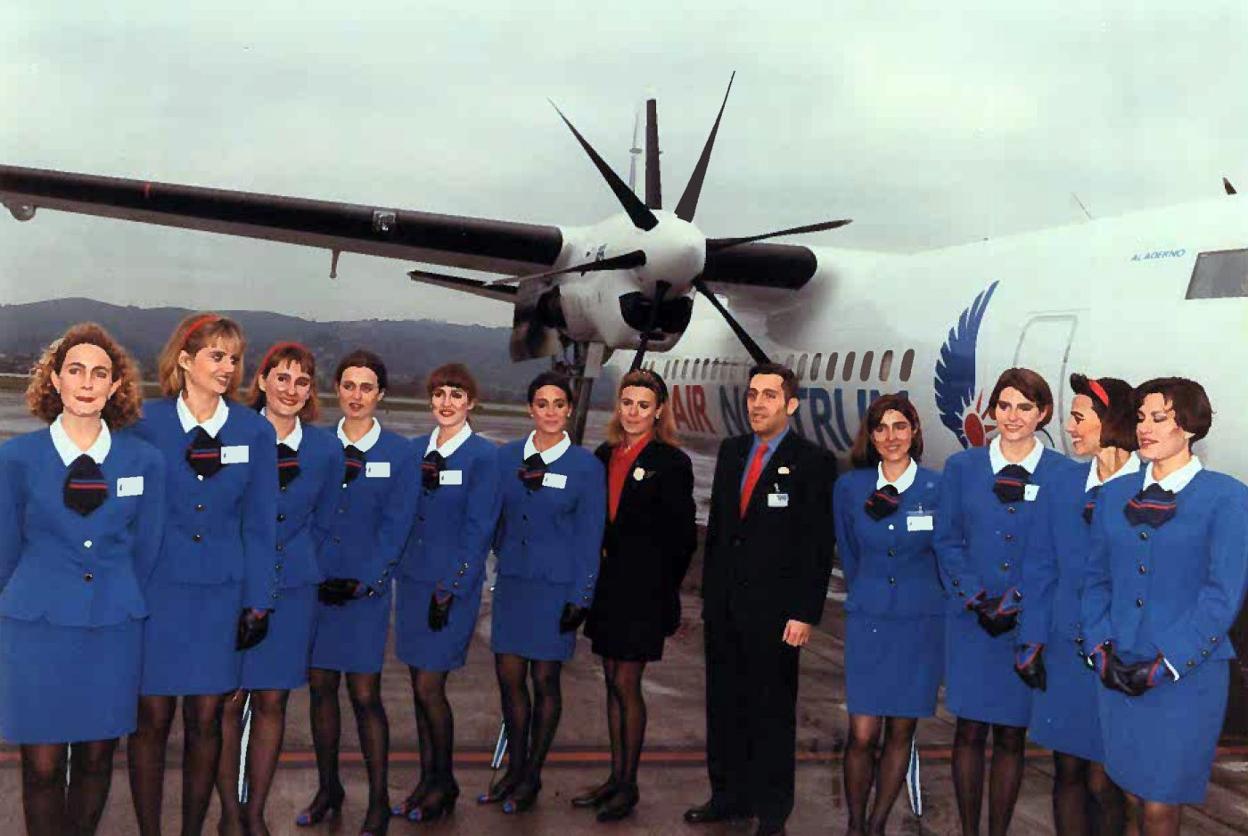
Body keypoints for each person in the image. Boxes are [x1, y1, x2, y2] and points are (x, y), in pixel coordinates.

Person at [0, 324, 164, 836]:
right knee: (43, 768)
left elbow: (148, 550)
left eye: (100, 373)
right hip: (37, 629)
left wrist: (110, 593)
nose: (87, 382)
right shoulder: (16, 459)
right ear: (55, 379)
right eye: (75, 370)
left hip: (111, 629)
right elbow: (4, 551)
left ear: (116, 386)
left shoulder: (144, 461)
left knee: (97, 760)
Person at [128, 313, 278, 836]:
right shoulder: (144, 423)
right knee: (150, 721)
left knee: (206, 722)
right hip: (156, 594)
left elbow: (260, 525)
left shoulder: (253, 431)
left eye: (234, 358)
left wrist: (259, 601)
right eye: (217, 356)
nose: (229, 367)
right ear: (185, 360)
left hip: (220, 598)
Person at [1082, 377, 1248, 836]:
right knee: (1133, 796)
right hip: (1117, 669)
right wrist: (1099, 648)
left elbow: (1223, 595)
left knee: (1159, 804)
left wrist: (1166, 663)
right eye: (1140, 419)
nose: (1145, 429)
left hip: (1183, 679)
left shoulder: (1227, 498)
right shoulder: (1114, 495)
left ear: (1190, 427)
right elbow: (1096, 580)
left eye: (1160, 418)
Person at [685, 362, 837, 836]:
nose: (757, 403)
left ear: (790, 404)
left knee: (771, 714)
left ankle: (772, 812)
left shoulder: (812, 462)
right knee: (724, 707)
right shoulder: (732, 453)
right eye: (753, 394)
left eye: (769, 395)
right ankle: (728, 797)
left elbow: (816, 545)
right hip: (727, 609)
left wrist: (804, 613)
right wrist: (711, 601)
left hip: (776, 615)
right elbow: (721, 536)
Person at [934, 367, 1078, 836]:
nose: (1012, 417)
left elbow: (1059, 548)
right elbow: (948, 541)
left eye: (1025, 407)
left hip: (1026, 622)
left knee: (1012, 735)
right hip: (973, 621)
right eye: (1004, 406)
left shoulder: (1062, 474)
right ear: (991, 410)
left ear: (1043, 413)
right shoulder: (963, 467)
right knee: (969, 731)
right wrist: (977, 598)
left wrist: (1014, 601)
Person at [215, 342, 344, 836]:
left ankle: (255, 812)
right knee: (227, 701)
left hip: (291, 587)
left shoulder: (325, 449)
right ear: (263, 380)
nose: (291, 390)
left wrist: (290, 556)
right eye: (282, 377)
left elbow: (326, 517)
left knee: (272, 702)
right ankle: (228, 811)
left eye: (303, 381)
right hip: (234, 582)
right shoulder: (235, 434)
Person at [297, 349, 416, 836]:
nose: (356, 396)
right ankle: (329, 788)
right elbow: (300, 511)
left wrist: (368, 581)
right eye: (349, 385)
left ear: (380, 394)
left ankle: (378, 800)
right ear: (337, 389)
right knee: (321, 690)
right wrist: (312, 573)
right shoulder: (317, 445)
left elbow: (397, 525)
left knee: (365, 695)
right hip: (318, 587)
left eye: (367, 387)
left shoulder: (399, 453)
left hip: (364, 593)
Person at [572, 369, 696, 822]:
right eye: (627, 402)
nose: (633, 412)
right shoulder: (605, 454)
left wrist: (663, 593)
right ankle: (614, 776)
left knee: (627, 683)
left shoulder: (671, 462)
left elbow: (683, 539)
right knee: (610, 680)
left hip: (643, 593)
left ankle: (628, 786)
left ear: (659, 410)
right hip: (608, 588)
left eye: (644, 405)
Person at [479, 371, 605, 815]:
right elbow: (494, 517)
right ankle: (514, 768)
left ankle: (531, 775)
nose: (550, 412)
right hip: (514, 584)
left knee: (545, 681)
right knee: (509, 680)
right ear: (530, 409)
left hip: (556, 590)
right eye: (542, 403)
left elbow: (591, 538)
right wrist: (503, 551)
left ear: (569, 409)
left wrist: (581, 597)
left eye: (558, 404)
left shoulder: (586, 467)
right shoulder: (507, 458)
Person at [1017, 374, 1135, 835]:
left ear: (1112, 422)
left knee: (1106, 779)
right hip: (1066, 649)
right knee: (1066, 772)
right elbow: (1040, 566)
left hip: (1118, 653)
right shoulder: (1063, 484)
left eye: (1080, 417)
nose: (1069, 426)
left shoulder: (1147, 487)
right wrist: (1030, 640)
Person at [390, 364, 500, 823]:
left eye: (456, 394)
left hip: (449, 589)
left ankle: (445, 783)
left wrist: (450, 588)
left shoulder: (483, 457)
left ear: (471, 402)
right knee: (418, 687)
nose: (447, 402)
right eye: (439, 394)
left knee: (431, 686)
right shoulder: (415, 451)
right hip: (412, 583)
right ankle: (428, 780)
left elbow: (478, 531)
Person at [833, 394, 943, 836]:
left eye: (900, 427)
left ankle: (876, 825)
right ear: (871, 436)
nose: (891, 437)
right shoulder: (851, 488)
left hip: (919, 626)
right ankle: (856, 824)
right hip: (870, 621)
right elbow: (849, 551)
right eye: (881, 428)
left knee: (901, 731)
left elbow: (944, 552)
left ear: (915, 432)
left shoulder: (936, 488)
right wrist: (870, 593)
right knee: (862, 734)